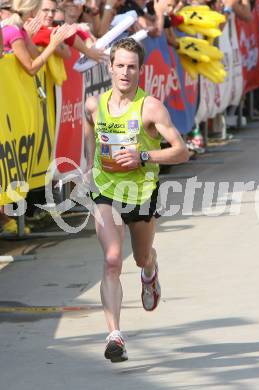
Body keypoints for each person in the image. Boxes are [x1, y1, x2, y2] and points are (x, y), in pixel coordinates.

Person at [84, 37, 189, 363]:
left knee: (141, 257)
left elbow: (181, 150)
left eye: (132, 67)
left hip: (141, 193)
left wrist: (143, 155)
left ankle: (150, 272)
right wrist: (89, 165)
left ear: (140, 70)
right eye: (120, 66)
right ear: (110, 67)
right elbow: (89, 126)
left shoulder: (150, 107)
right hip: (105, 189)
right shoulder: (94, 103)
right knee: (113, 259)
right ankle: (115, 335)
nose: (125, 72)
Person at [1, 0, 77, 75]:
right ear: (32, 9)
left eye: (53, 11)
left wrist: (54, 42)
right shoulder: (14, 32)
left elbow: (37, 57)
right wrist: (52, 45)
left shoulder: (22, 31)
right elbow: (31, 70)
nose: (50, 15)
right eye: (43, 9)